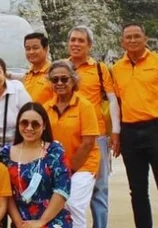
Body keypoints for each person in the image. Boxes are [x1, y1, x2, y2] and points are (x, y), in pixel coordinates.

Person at [111, 23, 158, 228]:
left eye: (137, 36)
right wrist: (116, 134)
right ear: (122, 42)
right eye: (128, 37)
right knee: (137, 191)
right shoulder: (117, 69)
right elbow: (117, 103)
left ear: (146, 39)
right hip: (130, 133)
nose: (133, 40)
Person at [66, 25, 120, 228]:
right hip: (68, 135)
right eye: (73, 40)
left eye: (81, 40)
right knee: (65, 184)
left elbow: (112, 100)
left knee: (99, 188)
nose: (76, 44)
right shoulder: (62, 68)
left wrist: (115, 131)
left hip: (96, 136)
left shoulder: (99, 69)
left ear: (89, 45)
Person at [44, 60, 100, 228]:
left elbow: (88, 143)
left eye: (64, 79)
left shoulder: (85, 106)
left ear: (73, 80)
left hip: (83, 166)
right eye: (55, 79)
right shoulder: (46, 108)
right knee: (53, 207)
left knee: (73, 203)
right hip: (56, 167)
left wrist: (68, 171)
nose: (59, 83)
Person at [0, 102, 72, 228]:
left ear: (44, 126)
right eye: (24, 123)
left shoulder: (54, 150)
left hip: (53, 220)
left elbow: (62, 190)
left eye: (35, 124)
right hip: (22, 222)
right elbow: (6, 194)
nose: (29, 128)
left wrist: (41, 222)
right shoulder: (6, 154)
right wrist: (19, 223)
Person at [20, 33, 54, 105]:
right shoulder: (28, 75)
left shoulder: (53, 73)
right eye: (28, 49)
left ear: (45, 49)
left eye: (35, 48)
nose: (31, 52)